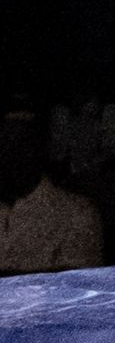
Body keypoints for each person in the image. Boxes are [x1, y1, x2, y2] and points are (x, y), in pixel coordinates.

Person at [0, 111, 102, 276]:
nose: (10, 154)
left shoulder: (76, 214)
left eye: (20, 144)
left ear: (40, 150)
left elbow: (80, 287)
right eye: (4, 144)